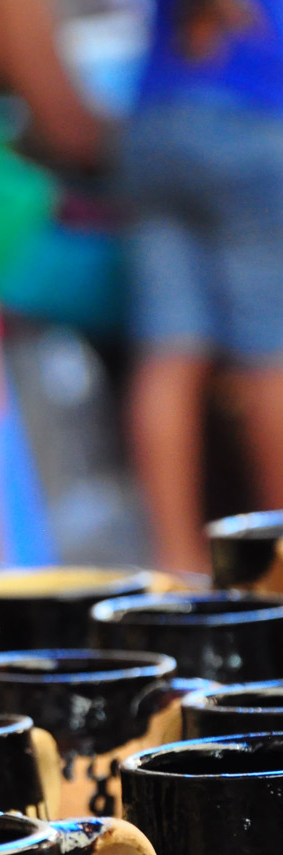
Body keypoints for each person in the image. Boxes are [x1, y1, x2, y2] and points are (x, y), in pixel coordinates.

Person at [122, 0, 283, 572]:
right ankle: (274, 565)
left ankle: (175, 566)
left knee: (170, 350)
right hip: (254, 113)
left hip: (157, 119)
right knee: (269, 356)